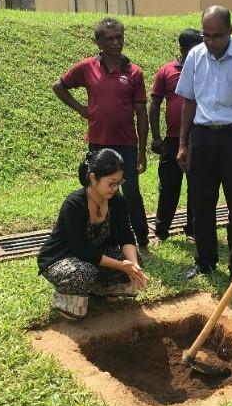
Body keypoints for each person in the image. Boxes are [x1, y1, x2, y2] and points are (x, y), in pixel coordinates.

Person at [175, 6, 232, 284]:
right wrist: (182, 143)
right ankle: (205, 261)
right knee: (201, 204)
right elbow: (188, 100)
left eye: (217, 35)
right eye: (206, 35)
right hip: (202, 138)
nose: (211, 41)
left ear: (230, 31)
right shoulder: (195, 56)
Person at [53, 17, 151, 258]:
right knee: (95, 191)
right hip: (98, 142)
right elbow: (59, 86)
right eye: (109, 39)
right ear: (99, 42)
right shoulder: (87, 67)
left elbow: (141, 113)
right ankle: (96, 239)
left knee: (131, 193)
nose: (116, 42)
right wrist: (81, 109)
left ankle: (143, 242)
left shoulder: (134, 72)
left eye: (119, 37)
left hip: (126, 144)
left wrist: (141, 151)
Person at [37, 149, 149, 321]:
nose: (115, 188)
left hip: (95, 255)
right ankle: (64, 298)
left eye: (119, 183)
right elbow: (83, 251)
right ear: (93, 178)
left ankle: (97, 289)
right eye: (111, 183)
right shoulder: (73, 204)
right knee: (83, 274)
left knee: (136, 260)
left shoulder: (117, 201)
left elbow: (126, 237)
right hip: (63, 257)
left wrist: (133, 265)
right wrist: (121, 265)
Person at [149, 28, 202, 241]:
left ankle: (192, 230)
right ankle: (161, 231)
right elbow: (154, 104)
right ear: (183, 49)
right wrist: (155, 136)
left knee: (197, 186)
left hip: (198, 138)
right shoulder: (166, 71)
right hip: (172, 140)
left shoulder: (204, 69)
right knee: (169, 185)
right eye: (196, 47)